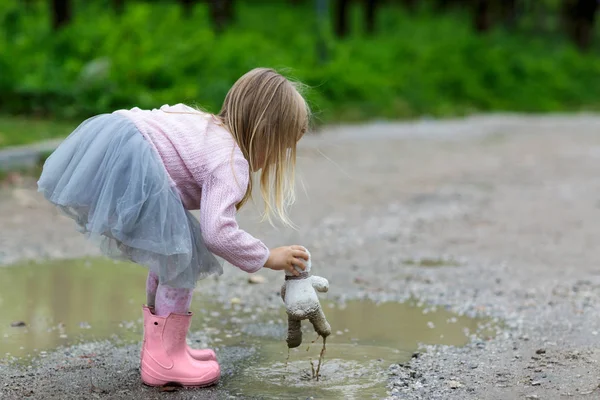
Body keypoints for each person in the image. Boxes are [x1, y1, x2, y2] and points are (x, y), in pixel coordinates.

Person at [37, 67, 311, 388]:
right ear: (264, 132)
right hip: (136, 159)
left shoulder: (206, 126)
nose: (280, 159)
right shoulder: (230, 159)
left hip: (118, 138)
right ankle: (164, 359)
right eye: (283, 148)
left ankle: (166, 350)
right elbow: (218, 232)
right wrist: (268, 256)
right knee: (181, 258)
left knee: (171, 254)